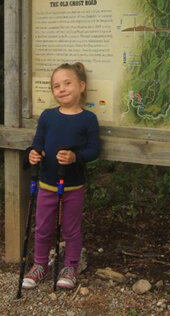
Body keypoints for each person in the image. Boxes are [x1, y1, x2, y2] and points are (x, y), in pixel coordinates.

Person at [21, 62, 101, 290]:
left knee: (71, 229)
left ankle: (70, 267)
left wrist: (75, 157)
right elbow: (37, 144)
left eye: (67, 83)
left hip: (73, 186)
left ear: (81, 86)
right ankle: (39, 265)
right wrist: (34, 154)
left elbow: (94, 151)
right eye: (56, 86)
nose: (62, 89)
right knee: (43, 227)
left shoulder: (88, 119)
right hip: (46, 184)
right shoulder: (47, 116)